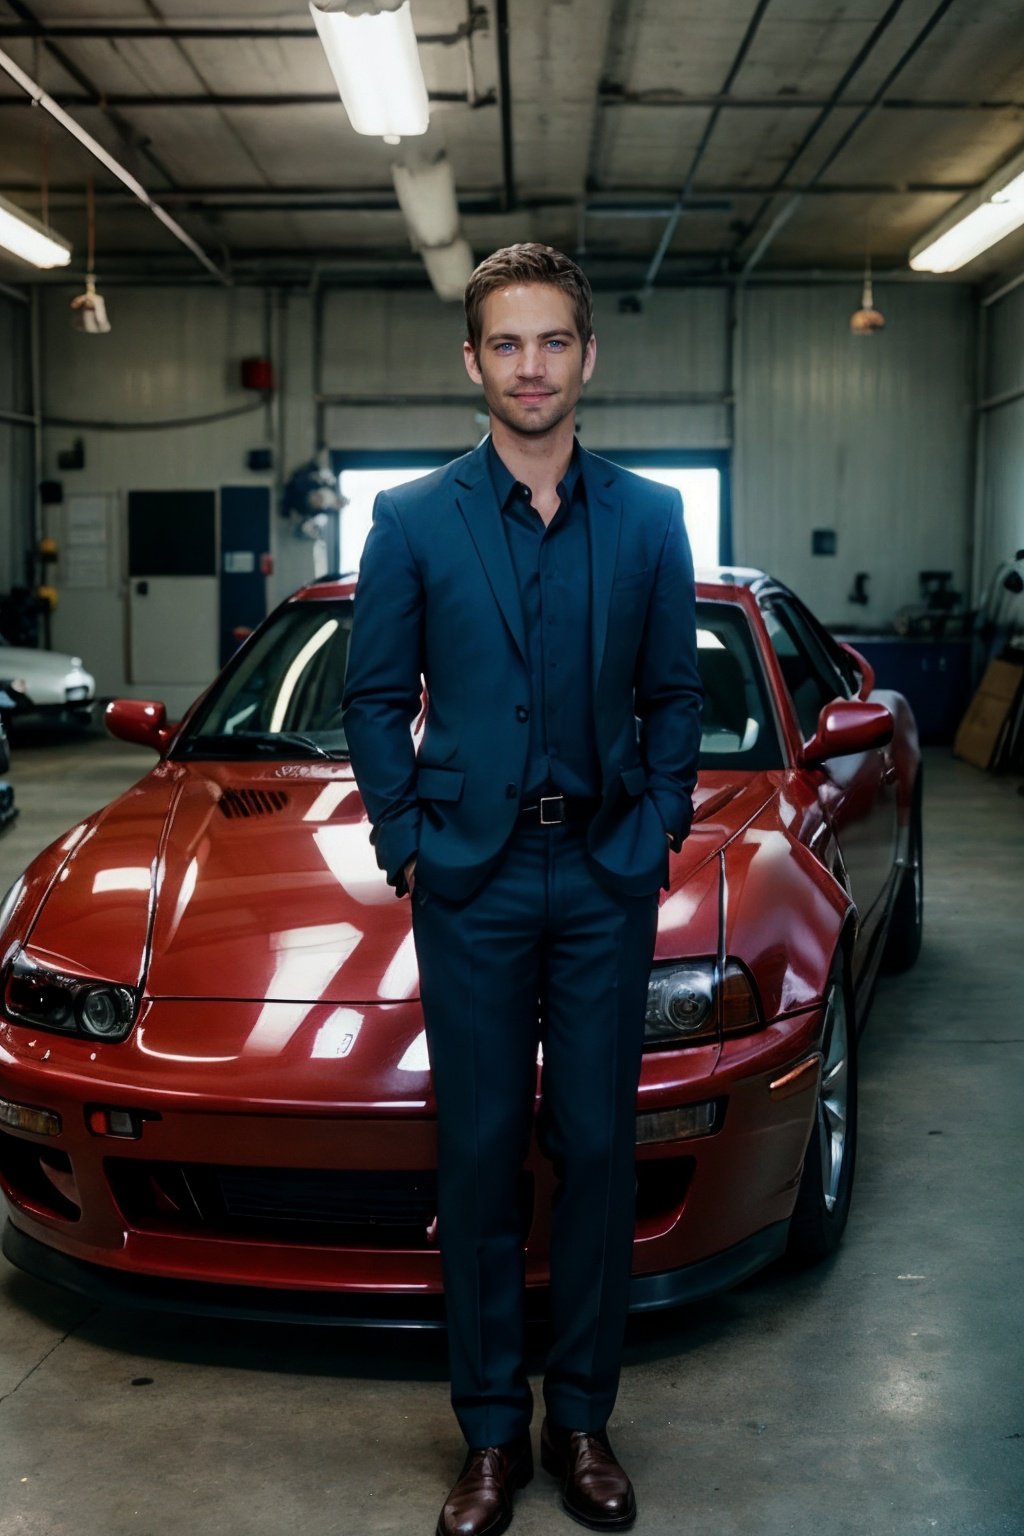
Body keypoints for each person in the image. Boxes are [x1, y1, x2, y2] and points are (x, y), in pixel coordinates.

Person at [342, 243, 703, 1536]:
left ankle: (585, 1421)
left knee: (599, 1153)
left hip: (602, 872)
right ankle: (492, 1435)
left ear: (588, 357)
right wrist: (408, 839)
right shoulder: (414, 520)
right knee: (482, 1155)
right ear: (474, 364)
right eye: (508, 343)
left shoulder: (654, 518)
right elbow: (375, 699)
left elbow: (677, 698)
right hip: (473, 881)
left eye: (554, 341)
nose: (532, 365)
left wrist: (657, 825)